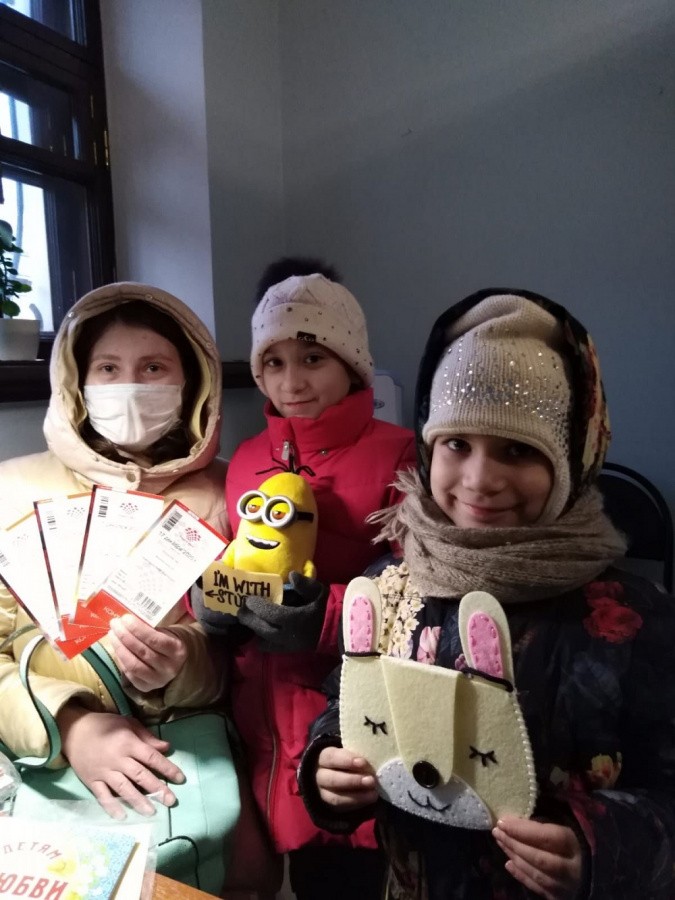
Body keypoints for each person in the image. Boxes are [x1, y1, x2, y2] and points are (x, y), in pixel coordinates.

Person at [298, 288, 675, 899]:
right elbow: (347, 702)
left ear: (573, 459)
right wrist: (328, 763)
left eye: (518, 450)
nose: (479, 480)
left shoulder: (633, 619)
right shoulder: (392, 584)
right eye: (456, 444)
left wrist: (598, 848)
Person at [194, 259, 416, 899]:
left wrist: (325, 615)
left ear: (352, 364)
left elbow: (421, 597)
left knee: (349, 875)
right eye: (273, 362)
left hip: (351, 720)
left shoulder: (401, 455)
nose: (291, 381)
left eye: (313, 358)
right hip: (262, 719)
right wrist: (210, 604)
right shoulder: (246, 462)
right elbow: (235, 562)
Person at [0, 281, 228, 815]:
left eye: (153, 368)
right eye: (108, 368)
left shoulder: (232, 492)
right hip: (48, 775)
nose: (130, 386)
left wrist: (183, 664)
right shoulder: (9, 490)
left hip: (190, 764)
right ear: (78, 382)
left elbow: (250, 658)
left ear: (192, 381)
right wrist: (69, 725)